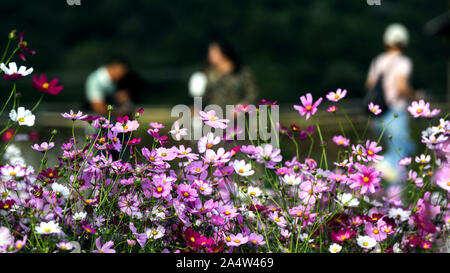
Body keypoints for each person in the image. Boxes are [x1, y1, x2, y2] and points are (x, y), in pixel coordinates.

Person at [365, 23, 420, 183]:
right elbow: (401, 87)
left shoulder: (378, 61)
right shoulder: (404, 62)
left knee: (405, 148)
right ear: (404, 42)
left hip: (377, 113)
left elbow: (369, 84)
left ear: (386, 42)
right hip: (396, 112)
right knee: (399, 156)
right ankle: (395, 194)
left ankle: (381, 169)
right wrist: (415, 95)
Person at [189, 39, 257, 108]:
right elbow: (202, 98)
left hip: (238, 115)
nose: (210, 55)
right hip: (213, 115)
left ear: (224, 52)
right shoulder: (207, 74)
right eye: (209, 52)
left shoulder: (241, 72)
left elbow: (251, 94)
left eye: (214, 52)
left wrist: (241, 106)